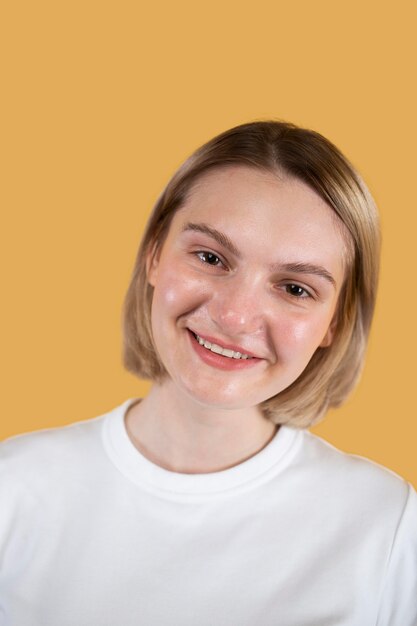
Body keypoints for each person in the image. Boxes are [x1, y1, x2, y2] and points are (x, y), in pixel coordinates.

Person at [1, 121, 416, 626]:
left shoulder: (390, 528)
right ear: (154, 254)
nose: (235, 316)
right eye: (210, 257)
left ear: (335, 323)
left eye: (295, 289)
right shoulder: (14, 486)